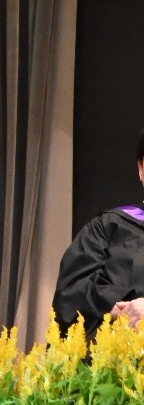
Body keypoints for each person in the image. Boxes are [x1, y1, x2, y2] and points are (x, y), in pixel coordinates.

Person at [53, 130, 144, 338]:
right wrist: (127, 311)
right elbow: (70, 295)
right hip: (113, 354)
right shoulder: (107, 228)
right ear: (141, 169)